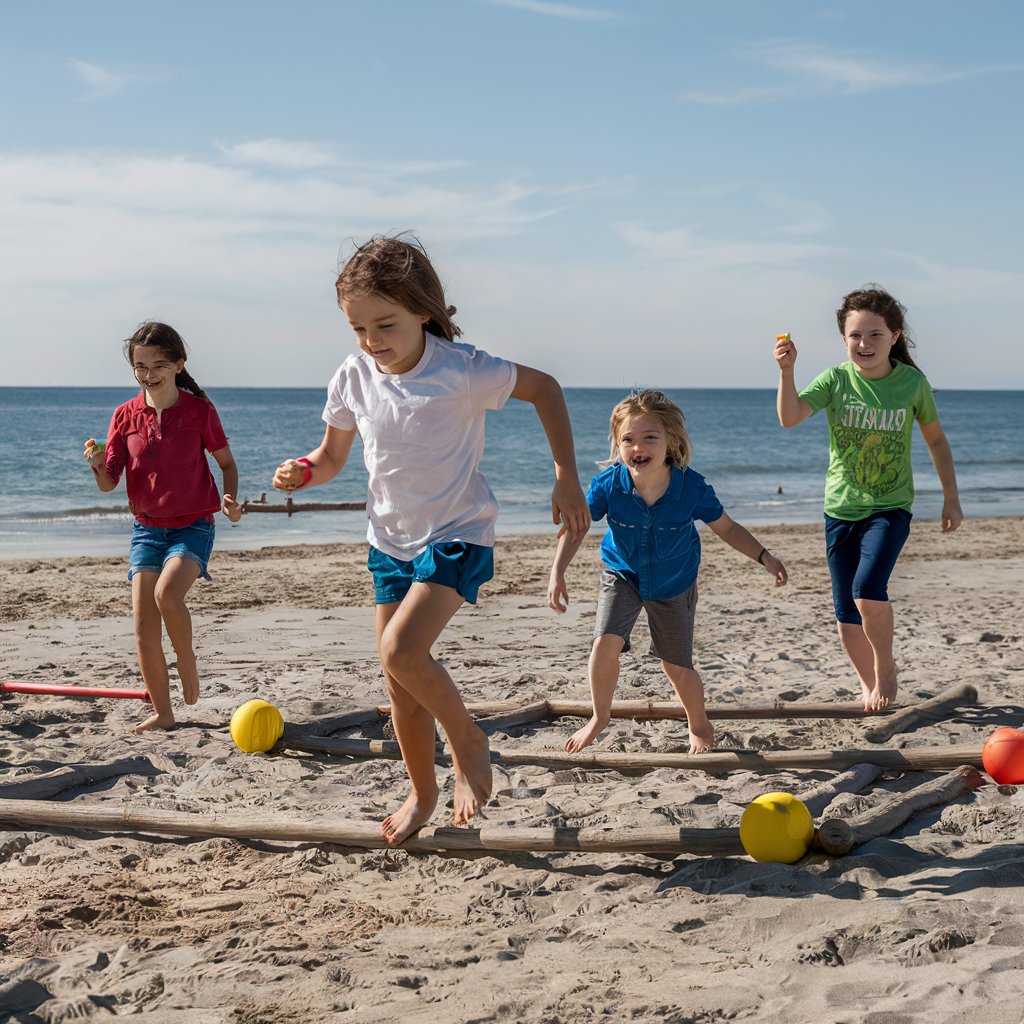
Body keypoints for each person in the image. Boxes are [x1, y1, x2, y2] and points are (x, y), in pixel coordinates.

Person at [273, 235, 589, 845]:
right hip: (389, 541)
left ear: (423, 310)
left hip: (457, 532)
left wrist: (565, 477)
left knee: (400, 651)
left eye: (385, 324)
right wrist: (304, 471)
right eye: (358, 328)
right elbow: (333, 454)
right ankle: (422, 794)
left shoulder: (462, 369)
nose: (372, 341)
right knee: (400, 686)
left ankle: (468, 738)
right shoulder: (354, 375)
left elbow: (545, 388)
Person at [547, 389, 787, 754]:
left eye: (649, 438)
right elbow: (576, 526)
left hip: (674, 582)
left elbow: (728, 528)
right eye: (627, 439)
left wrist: (764, 556)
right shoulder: (609, 485)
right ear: (617, 443)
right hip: (622, 574)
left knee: (675, 667)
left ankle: (698, 722)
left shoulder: (691, 488)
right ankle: (599, 716)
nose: (637, 447)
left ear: (669, 442)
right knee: (603, 645)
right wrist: (557, 572)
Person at [774, 285, 962, 711]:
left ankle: (885, 667)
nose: (865, 344)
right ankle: (868, 686)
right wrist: (787, 372)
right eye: (855, 335)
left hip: (890, 507)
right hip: (840, 508)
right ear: (844, 339)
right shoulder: (835, 380)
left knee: (866, 591)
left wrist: (951, 498)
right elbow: (789, 419)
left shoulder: (912, 384)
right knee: (845, 613)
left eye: (875, 334)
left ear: (895, 336)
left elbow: (936, 441)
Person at [85, 322, 242, 732]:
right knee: (143, 626)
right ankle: (164, 713)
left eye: (157, 365)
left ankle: (187, 661)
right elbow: (109, 484)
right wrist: (98, 466)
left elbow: (226, 464)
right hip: (146, 530)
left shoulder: (199, 411)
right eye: (140, 366)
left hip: (193, 526)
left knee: (167, 596)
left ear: (177, 365)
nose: (147, 373)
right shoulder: (124, 416)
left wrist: (229, 500)